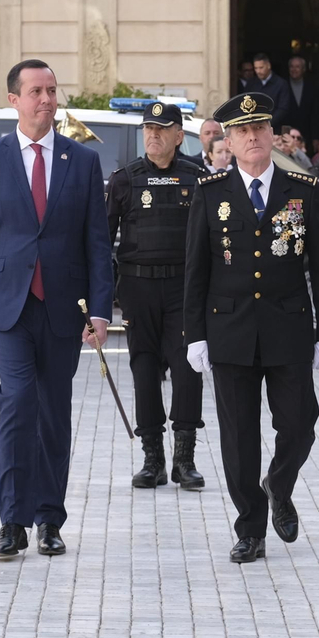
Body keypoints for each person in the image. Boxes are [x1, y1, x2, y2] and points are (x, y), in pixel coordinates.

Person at [0, 60, 113, 560]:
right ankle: (12, 521)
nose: (46, 99)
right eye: (35, 91)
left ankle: (49, 519)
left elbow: (97, 242)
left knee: (54, 412)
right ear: (14, 100)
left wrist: (100, 311)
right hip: (7, 308)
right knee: (18, 402)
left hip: (64, 308)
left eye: (51, 90)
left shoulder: (82, 161)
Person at [183, 91, 319, 564]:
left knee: (300, 424)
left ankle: (279, 484)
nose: (252, 137)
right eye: (242, 131)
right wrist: (194, 335)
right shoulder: (210, 191)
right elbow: (196, 270)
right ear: (228, 142)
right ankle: (250, 528)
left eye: (259, 129)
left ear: (272, 135)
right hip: (229, 331)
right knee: (239, 439)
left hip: (288, 328)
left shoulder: (303, 190)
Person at [106, 102, 206, 492]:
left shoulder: (198, 178)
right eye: (148, 128)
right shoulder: (124, 180)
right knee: (144, 370)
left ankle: (185, 460)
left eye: (162, 129)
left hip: (183, 290)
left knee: (187, 369)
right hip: (138, 289)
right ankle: (153, 460)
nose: (153, 135)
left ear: (179, 136)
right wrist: (101, 300)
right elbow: (102, 242)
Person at [285, 55, 319, 147]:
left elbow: (316, 113)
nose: (294, 69)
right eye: (292, 66)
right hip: (287, 134)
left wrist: (316, 137)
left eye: (297, 67)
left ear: (304, 69)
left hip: (308, 135)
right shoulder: (283, 85)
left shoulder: (312, 86)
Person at [250, 53, 294, 129]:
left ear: (268, 66)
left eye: (261, 68)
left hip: (274, 129)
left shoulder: (281, 84)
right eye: (256, 68)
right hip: (254, 128)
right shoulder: (251, 84)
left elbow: (283, 108)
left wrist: (267, 123)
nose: (258, 71)